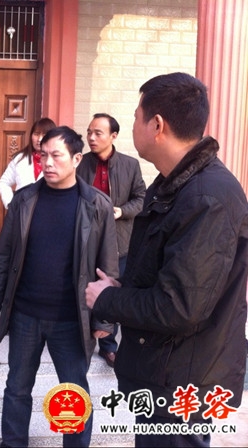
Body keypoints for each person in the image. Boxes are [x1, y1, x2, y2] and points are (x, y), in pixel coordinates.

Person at [85, 72, 248, 447]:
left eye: (136, 117)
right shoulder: (175, 184)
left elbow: (180, 306)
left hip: (183, 381)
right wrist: (122, 286)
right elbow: (172, 277)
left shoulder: (207, 197)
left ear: (157, 125)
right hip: (163, 371)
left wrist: (108, 299)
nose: (134, 126)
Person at [0, 126, 119, 447]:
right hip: (25, 314)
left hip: (71, 318)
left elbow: (108, 268)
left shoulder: (97, 205)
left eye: (56, 156)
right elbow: (4, 253)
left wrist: (103, 320)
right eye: (43, 155)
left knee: (73, 391)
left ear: (76, 159)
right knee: (17, 387)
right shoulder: (25, 199)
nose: (47, 163)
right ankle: (13, 443)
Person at [77, 113, 146, 367]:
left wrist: (122, 211)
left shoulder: (130, 165)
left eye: (98, 133)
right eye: (89, 132)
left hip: (118, 241)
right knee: (83, 290)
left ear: (113, 136)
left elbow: (141, 198)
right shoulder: (81, 163)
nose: (91, 138)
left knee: (112, 291)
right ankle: (81, 339)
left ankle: (109, 346)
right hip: (85, 239)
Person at [0, 117, 57, 208]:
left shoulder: (58, 161)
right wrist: (11, 205)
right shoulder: (20, 158)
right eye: (36, 134)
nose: (39, 139)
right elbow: (4, 183)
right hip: (22, 211)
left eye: (44, 135)